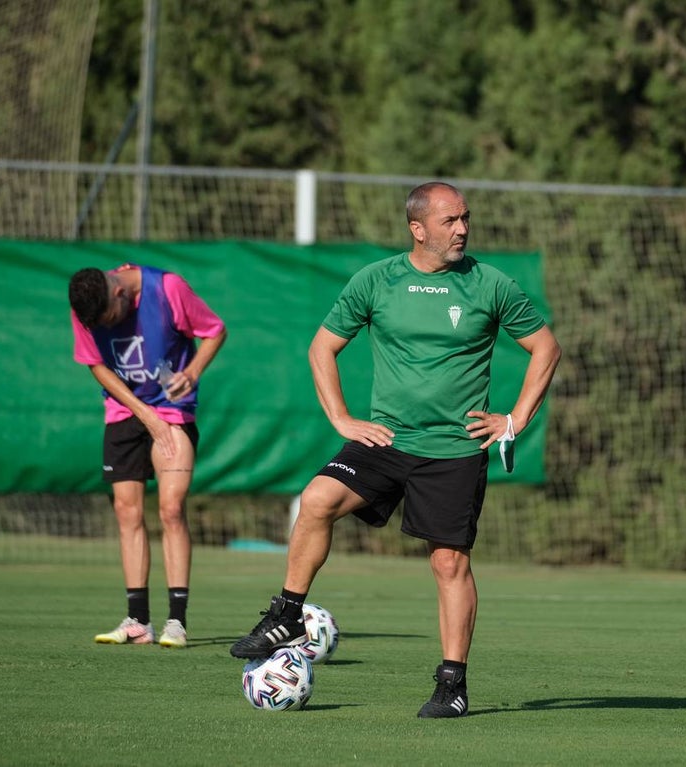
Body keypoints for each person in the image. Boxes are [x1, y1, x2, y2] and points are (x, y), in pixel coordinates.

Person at [229, 182, 561, 719]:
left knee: (449, 562)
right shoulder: (376, 280)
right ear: (418, 228)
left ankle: (452, 684)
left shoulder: (491, 283)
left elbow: (545, 347)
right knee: (316, 501)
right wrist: (341, 418)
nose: (462, 229)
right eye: (451, 220)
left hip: (453, 449)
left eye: (465, 218)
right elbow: (322, 346)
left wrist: (514, 420)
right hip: (385, 440)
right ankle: (288, 613)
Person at [69, 263, 228, 649]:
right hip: (126, 412)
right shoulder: (86, 305)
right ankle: (138, 621)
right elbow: (96, 365)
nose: (107, 326)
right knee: (128, 511)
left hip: (173, 411)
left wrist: (191, 372)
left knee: (171, 508)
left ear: (119, 293)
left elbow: (214, 331)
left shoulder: (168, 288)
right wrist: (144, 414)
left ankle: (177, 622)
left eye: (110, 318)